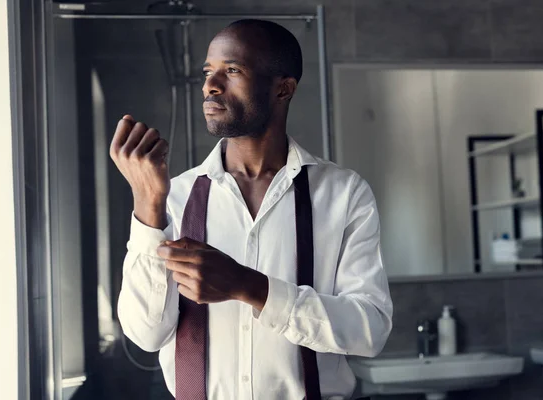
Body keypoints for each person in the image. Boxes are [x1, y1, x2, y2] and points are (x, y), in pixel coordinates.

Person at [111, 19, 392, 400]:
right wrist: (147, 205)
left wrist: (251, 287)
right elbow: (146, 335)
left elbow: (370, 331)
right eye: (208, 72)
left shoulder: (344, 194)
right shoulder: (173, 197)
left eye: (232, 70)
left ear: (283, 88)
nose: (211, 85)